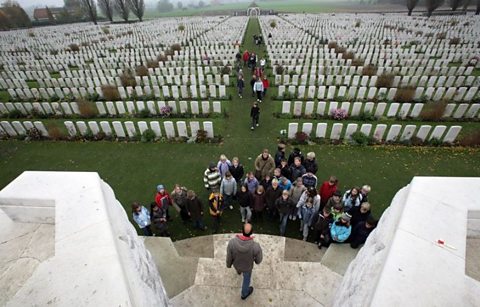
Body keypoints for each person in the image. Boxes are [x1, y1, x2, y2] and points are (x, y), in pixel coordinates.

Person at [226, 223, 263, 300]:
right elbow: (259, 260)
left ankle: (239, 272)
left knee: (239, 269)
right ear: (251, 232)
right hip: (247, 268)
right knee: (246, 280)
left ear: (241, 231)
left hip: (237, 265)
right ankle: (244, 294)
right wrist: (255, 260)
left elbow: (229, 256)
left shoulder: (232, 242)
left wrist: (228, 265)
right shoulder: (256, 246)